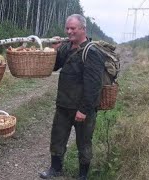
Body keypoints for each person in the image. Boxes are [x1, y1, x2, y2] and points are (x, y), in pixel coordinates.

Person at [39, 14, 105, 180]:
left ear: (83, 29)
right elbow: (53, 67)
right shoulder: (66, 47)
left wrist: (83, 110)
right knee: (57, 138)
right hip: (63, 104)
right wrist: (54, 49)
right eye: (67, 28)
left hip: (83, 109)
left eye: (73, 28)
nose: (69, 31)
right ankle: (55, 169)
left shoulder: (91, 52)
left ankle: (83, 175)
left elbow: (94, 86)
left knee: (84, 142)